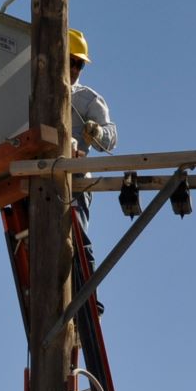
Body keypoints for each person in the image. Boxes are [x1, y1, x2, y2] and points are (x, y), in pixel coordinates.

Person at [68, 27, 117, 239]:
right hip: (38, 178)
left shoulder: (87, 98)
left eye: (80, 64)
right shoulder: (32, 92)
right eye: (72, 61)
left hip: (76, 181)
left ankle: (84, 273)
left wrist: (97, 132)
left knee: (76, 243)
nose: (75, 69)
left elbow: (111, 137)